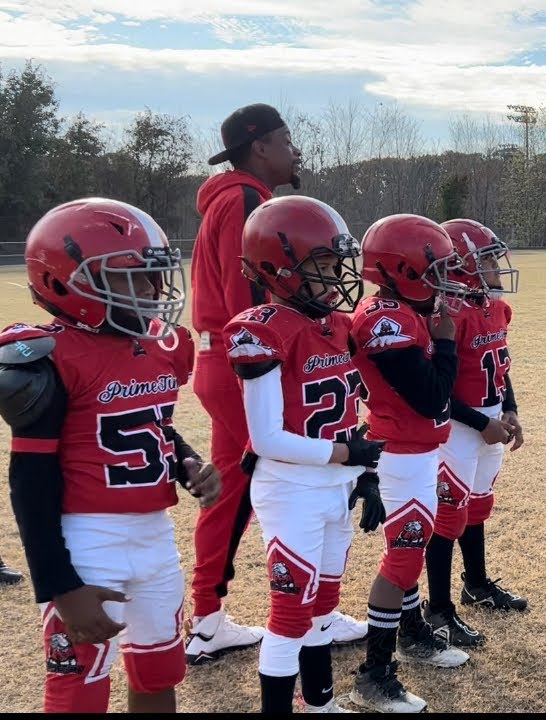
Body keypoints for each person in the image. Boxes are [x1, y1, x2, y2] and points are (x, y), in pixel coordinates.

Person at [0, 198, 222, 712]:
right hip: (86, 540)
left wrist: (184, 462)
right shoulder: (48, 356)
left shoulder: (161, 343)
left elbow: (153, 426)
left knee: (158, 672)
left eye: (153, 275)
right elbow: (29, 483)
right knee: (78, 690)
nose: (151, 291)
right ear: (65, 281)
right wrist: (60, 584)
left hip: (154, 537)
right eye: (132, 278)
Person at [187, 102, 364, 662]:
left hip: (223, 357)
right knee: (274, 477)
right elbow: (254, 297)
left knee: (231, 492)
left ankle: (209, 618)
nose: (295, 150)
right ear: (258, 145)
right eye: (287, 140)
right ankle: (303, 613)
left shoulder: (234, 197)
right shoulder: (247, 200)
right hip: (248, 359)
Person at [226, 195, 385, 713]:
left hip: (333, 488)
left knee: (322, 608)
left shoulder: (336, 326)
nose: (336, 275)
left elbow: (346, 415)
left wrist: (364, 478)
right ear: (278, 268)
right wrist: (345, 456)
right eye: (322, 265)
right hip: (292, 489)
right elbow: (267, 438)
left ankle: (320, 704)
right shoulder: (264, 328)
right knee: (291, 616)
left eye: (336, 263)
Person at [347, 214, 471, 713]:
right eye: (435, 267)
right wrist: (444, 340)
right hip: (399, 452)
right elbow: (431, 397)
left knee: (412, 550)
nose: (444, 278)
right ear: (404, 269)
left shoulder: (402, 310)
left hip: (417, 449)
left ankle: (412, 628)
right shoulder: (386, 321)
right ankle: (373, 673)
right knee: (402, 557)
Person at [421, 218, 526, 649]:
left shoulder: (494, 307)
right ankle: (439, 608)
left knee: (478, 505)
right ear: (463, 265)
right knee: (448, 516)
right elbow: (436, 391)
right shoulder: (446, 315)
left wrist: (511, 408)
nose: (497, 270)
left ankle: (476, 584)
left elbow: (500, 366)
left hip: (489, 422)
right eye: (487, 261)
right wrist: (484, 423)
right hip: (459, 429)